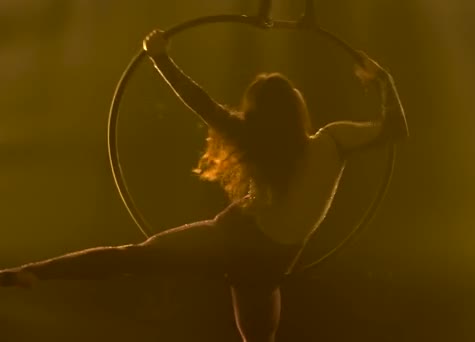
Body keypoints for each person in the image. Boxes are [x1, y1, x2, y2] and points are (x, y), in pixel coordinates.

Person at [0, 29, 407, 342]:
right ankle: (32, 273)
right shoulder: (334, 141)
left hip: (239, 245)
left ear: (259, 113)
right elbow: (396, 128)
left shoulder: (264, 138)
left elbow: (201, 103)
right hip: (268, 264)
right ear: (297, 108)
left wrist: (161, 57)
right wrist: (384, 81)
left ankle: (33, 272)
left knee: (129, 258)